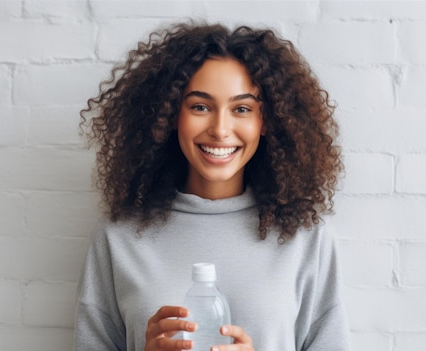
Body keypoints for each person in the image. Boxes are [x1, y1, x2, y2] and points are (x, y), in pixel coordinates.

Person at [74, 21, 350, 351]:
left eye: (242, 109)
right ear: (169, 115)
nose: (220, 129)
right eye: (200, 107)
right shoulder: (119, 236)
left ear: (266, 121)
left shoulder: (305, 236)